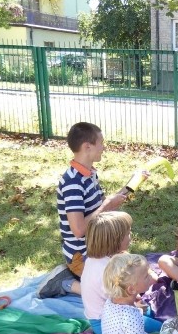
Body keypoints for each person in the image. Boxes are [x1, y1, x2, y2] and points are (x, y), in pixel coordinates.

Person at [39, 122, 132, 298]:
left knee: (131, 274)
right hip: (81, 255)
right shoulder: (73, 182)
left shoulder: (89, 174)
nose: (104, 147)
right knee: (116, 294)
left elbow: (100, 207)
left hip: (98, 247)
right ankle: (65, 282)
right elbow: (79, 230)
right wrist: (107, 206)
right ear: (87, 147)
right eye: (101, 143)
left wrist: (130, 185)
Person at [80, 211, 162, 334]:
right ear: (115, 240)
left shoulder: (97, 260)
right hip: (107, 322)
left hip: (115, 313)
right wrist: (136, 307)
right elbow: (118, 302)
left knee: (156, 311)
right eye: (128, 233)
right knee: (162, 328)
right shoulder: (106, 270)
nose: (131, 236)